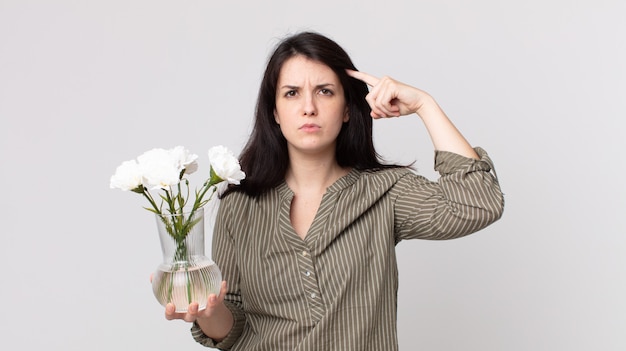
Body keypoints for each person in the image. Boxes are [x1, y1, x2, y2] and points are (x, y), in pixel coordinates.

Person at [164, 31, 504, 350]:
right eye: (292, 93)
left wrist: (424, 106)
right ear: (275, 112)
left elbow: (479, 204)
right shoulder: (239, 203)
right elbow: (232, 330)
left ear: (346, 109)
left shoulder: (386, 191)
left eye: (324, 91)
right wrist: (209, 312)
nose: (308, 107)